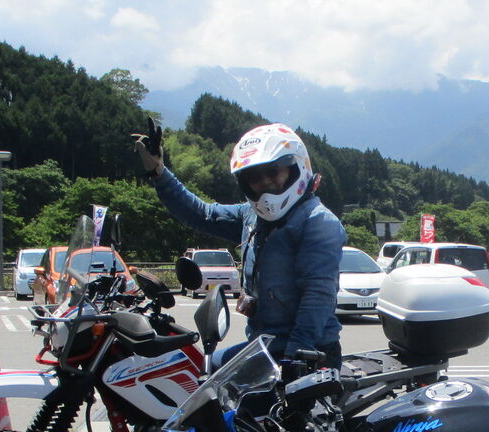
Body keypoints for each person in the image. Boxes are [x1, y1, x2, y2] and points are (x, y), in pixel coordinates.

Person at [133, 120, 346, 367]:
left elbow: (318, 296)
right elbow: (202, 214)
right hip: (265, 346)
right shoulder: (252, 216)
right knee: (194, 369)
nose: (264, 183)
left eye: (273, 172)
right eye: (253, 177)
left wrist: (296, 357)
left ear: (296, 167)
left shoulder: (317, 222)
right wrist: (159, 172)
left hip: (309, 353)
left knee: (211, 378)